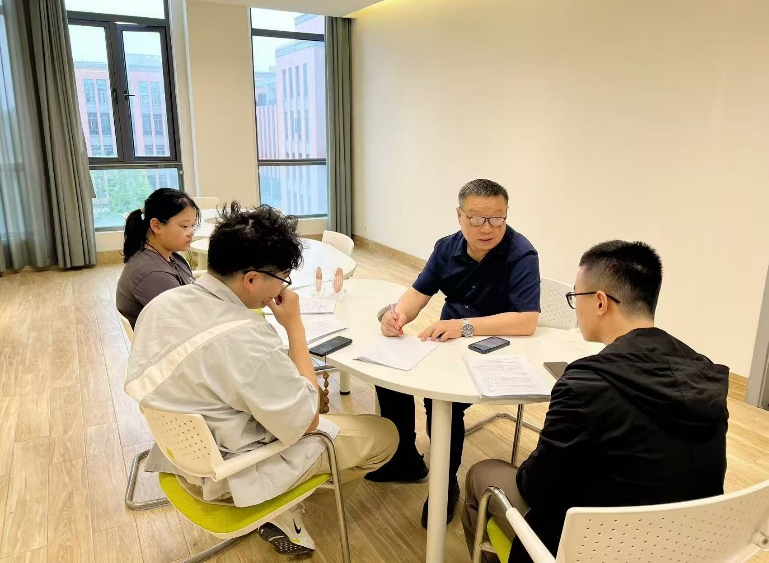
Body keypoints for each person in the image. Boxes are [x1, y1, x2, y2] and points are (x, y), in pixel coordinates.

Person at [124, 203, 398, 556]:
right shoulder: (247, 338)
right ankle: (288, 513)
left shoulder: (162, 304)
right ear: (251, 279)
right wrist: (294, 327)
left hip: (180, 453)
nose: (282, 288)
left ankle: (288, 510)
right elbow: (308, 418)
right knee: (383, 434)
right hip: (232, 470)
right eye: (282, 278)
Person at [462, 241, 729, 562]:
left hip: (597, 546)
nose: (576, 307)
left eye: (576, 297)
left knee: (482, 474)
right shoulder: (705, 372)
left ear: (600, 302)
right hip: (688, 545)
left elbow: (537, 487)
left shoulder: (585, 382)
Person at [368, 179, 541, 527]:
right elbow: (418, 293)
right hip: (449, 339)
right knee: (389, 375)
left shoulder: (521, 254)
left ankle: (445, 483)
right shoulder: (446, 248)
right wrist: (397, 315)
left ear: (507, 215)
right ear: (459, 216)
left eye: (497, 218)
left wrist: (464, 326)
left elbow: (526, 321)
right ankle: (404, 458)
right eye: (477, 219)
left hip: (497, 347)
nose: (487, 228)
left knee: (441, 403)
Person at [116, 188, 200, 328]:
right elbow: (187, 321)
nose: (191, 232)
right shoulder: (153, 274)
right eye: (184, 226)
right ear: (156, 226)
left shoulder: (168, 256)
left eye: (193, 225)